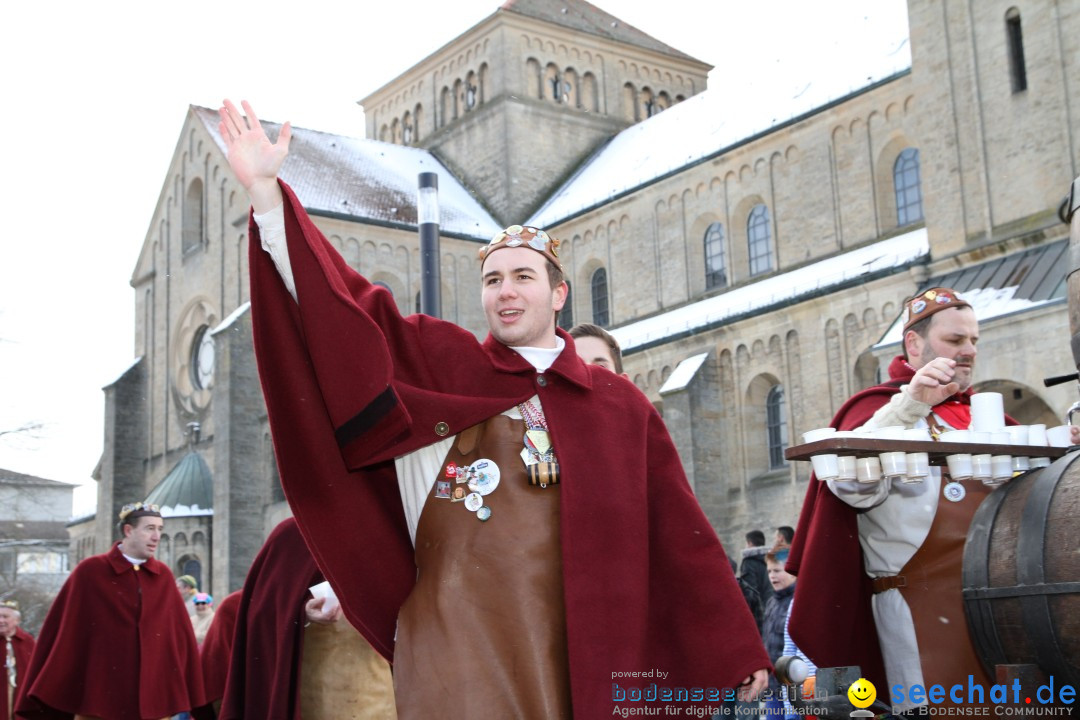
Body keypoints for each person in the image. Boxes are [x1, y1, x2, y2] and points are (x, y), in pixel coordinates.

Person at [219, 98, 769, 718]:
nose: (506, 290)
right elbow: (343, 309)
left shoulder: (618, 405)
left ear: (559, 293)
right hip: (461, 647)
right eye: (492, 280)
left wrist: (732, 642)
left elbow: (678, 531)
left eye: (523, 277)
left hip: (586, 650)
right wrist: (268, 196)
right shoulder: (444, 366)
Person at [787, 287, 1080, 711]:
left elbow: (1038, 505)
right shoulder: (878, 411)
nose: (968, 351)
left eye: (974, 341)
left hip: (1014, 612)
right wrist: (910, 406)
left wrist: (1063, 451)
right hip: (923, 609)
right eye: (955, 340)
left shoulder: (990, 419)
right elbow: (850, 487)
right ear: (914, 344)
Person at [17, 502, 207, 720]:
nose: (157, 536)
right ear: (128, 530)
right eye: (150, 528)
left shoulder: (162, 576)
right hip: (99, 700)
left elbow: (179, 637)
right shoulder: (91, 571)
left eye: (160, 529)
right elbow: (64, 633)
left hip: (153, 704)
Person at [219, 518, 395, 720]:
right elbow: (266, 610)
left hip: (378, 691)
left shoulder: (387, 526)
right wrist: (302, 612)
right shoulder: (293, 533)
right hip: (313, 692)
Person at [761, 549, 796, 718]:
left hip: (794, 687)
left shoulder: (798, 601)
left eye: (777, 570)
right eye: (769, 571)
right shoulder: (771, 602)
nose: (772, 576)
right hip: (773, 686)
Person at [1, 600, 34, 720]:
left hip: (20, 697)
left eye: (5, 617)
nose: (1, 621)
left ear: (17, 620)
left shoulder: (27, 641)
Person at [739, 529, 773, 604]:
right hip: (773, 606)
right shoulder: (772, 559)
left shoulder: (748, 562)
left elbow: (750, 590)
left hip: (759, 610)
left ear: (750, 543)